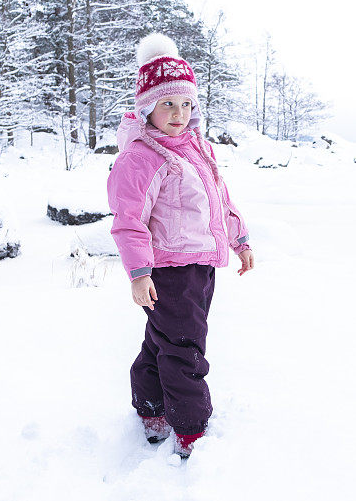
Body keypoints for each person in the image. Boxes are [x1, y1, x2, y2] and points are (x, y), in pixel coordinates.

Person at [106, 32, 254, 459]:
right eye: (168, 103)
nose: (179, 113)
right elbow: (128, 222)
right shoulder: (140, 158)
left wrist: (238, 237)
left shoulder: (195, 147)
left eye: (186, 103)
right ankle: (190, 429)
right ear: (147, 106)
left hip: (200, 266)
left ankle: (152, 410)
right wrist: (139, 273)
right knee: (184, 349)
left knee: (162, 342)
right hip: (168, 270)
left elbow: (218, 197)